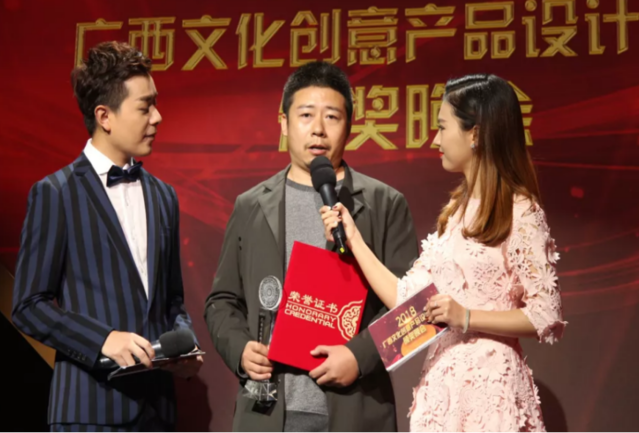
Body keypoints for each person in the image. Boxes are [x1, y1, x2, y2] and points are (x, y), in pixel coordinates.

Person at [321, 74, 566, 432]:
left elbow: (546, 315)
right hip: (441, 388)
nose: (434, 140)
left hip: (490, 387)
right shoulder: (455, 213)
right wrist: (355, 240)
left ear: (475, 133)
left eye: (442, 127)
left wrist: (465, 317)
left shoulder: (520, 211)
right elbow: (405, 299)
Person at [204, 61, 419, 433]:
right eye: (305, 115)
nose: (318, 128)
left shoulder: (385, 204)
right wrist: (240, 349)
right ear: (284, 123)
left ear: (349, 126)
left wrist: (359, 357)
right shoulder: (251, 205)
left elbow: (413, 310)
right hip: (267, 411)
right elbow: (222, 301)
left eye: (332, 117)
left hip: (356, 410)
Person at [12, 41, 202, 432]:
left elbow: (172, 300)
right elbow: (28, 306)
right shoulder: (56, 193)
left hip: (158, 413)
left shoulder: (164, 196)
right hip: (89, 411)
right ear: (105, 116)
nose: (158, 117)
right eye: (145, 107)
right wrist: (103, 340)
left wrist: (184, 343)